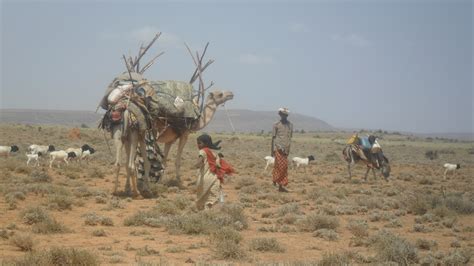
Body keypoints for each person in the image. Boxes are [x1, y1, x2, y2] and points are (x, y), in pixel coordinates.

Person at [193, 134, 234, 210]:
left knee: (202, 199)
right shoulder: (214, 154)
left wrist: (196, 165)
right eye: (197, 143)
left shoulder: (203, 151)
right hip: (213, 179)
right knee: (212, 199)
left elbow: (199, 162)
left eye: (199, 143)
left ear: (205, 144)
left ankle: (204, 215)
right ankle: (209, 215)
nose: (198, 145)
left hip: (203, 180)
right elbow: (218, 166)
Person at [271, 107, 293, 192]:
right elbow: (273, 138)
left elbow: (289, 137)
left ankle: (277, 181)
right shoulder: (276, 125)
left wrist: (287, 149)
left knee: (283, 167)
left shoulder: (290, 125)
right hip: (278, 149)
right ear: (280, 114)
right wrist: (272, 150)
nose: (284, 116)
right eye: (282, 114)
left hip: (286, 150)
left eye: (286, 114)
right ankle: (280, 184)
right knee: (280, 167)